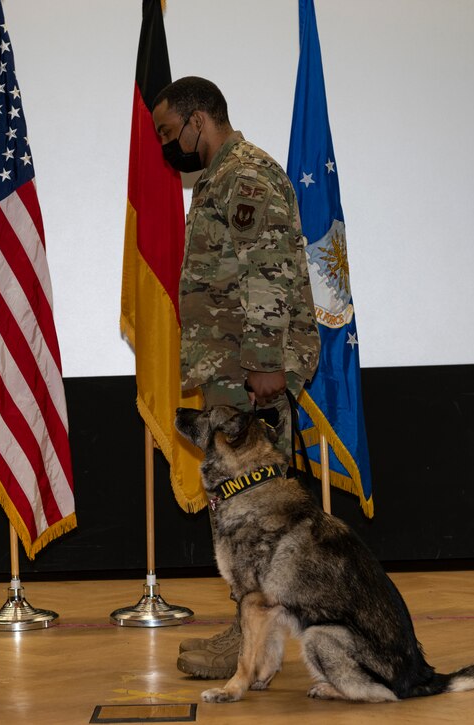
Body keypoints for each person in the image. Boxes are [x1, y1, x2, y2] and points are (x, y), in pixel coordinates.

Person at [151, 77, 321, 679]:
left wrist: (266, 364)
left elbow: (266, 271)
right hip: (232, 370)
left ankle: (248, 639)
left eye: (172, 132)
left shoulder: (244, 174)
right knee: (241, 510)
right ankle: (251, 636)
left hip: (252, 375)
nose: (169, 145)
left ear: (200, 119)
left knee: (256, 513)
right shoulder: (220, 179)